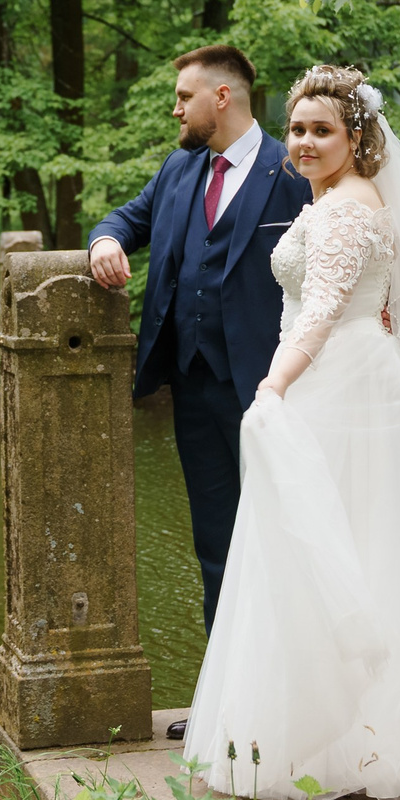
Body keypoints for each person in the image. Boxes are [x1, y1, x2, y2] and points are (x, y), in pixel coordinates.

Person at [179, 64, 400, 800]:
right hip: (366, 378)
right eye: (295, 128)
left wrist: (273, 387)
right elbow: (365, 301)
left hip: (337, 386)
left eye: (321, 129)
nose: (303, 142)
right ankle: (364, 736)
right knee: (368, 543)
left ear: (357, 137)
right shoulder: (358, 200)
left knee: (326, 545)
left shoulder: (343, 211)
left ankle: (335, 742)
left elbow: (322, 310)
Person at [88, 46, 314, 662]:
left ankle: (289, 693)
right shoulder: (179, 169)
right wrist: (105, 241)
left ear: (222, 97)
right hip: (192, 387)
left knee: (284, 536)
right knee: (214, 542)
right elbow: (124, 219)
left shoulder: (294, 170)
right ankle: (226, 703)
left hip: (273, 392)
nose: (175, 110)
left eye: (184, 97)